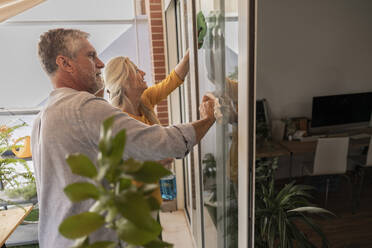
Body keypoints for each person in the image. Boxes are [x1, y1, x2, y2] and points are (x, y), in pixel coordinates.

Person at [32, 28, 215, 248]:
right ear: (66, 63)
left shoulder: (42, 117)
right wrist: (209, 118)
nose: (100, 64)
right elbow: (165, 143)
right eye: (91, 56)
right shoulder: (85, 108)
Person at [103, 52, 189, 204]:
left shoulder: (144, 100)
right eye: (136, 71)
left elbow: (174, 79)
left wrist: (190, 51)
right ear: (123, 82)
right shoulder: (119, 123)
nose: (143, 73)